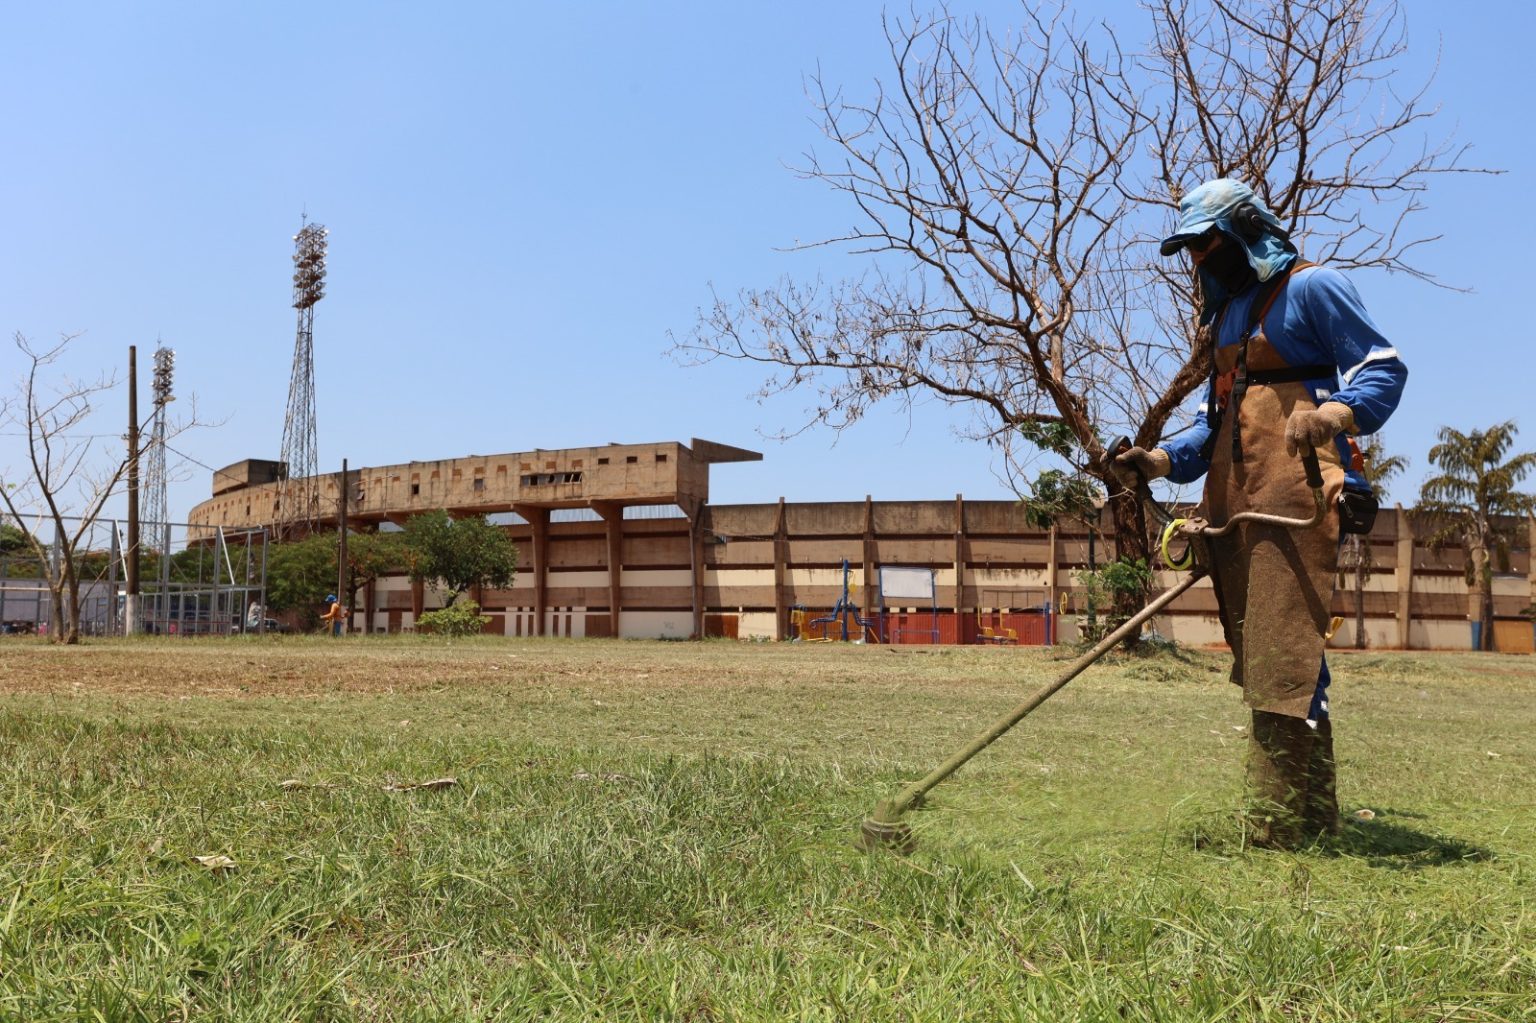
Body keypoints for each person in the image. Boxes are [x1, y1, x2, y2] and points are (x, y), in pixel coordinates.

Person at [1111, 179, 1407, 849]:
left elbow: (1383, 367)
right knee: (1268, 657)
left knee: (1287, 655)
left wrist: (1337, 410)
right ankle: (1309, 819)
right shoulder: (1229, 318)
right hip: (1238, 505)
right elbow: (1214, 422)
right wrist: (1160, 460)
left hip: (1296, 499)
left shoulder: (1313, 288)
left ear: (1243, 229)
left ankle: (1277, 825)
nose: (1196, 261)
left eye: (1204, 244)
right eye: (1188, 250)